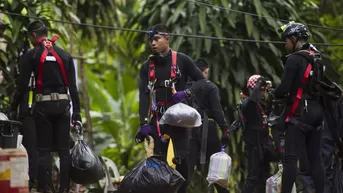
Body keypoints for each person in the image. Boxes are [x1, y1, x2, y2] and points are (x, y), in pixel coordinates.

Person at [11, 20, 81, 193]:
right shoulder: (64, 55)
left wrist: (14, 106)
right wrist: (77, 113)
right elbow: (73, 87)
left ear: (33, 35)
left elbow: (22, 85)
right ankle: (64, 188)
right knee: (64, 150)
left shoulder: (32, 55)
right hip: (64, 105)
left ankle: (46, 188)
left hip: (43, 105)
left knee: (44, 150)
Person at [135, 24, 205, 193]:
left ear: (167, 38)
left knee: (182, 162)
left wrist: (186, 93)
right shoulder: (147, 67)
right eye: (151, 40)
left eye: (157, 39)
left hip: (179, 119)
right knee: (159, 164)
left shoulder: (182, 60)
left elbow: (203, 81)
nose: (153, 43)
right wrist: (143, 122)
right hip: (158, 119)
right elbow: (144, 95)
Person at [274, 21, 325, 193]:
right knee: (316, 159)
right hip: (317, 115)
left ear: (294, 38)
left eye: (286, 40)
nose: (285, 44)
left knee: (290, 159)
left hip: (299, 115)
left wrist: (272, 94)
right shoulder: (317, 57)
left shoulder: (294, 59)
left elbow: (284, 88)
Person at [186, 58, 230, 193]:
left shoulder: (186, 88)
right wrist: (225, 129)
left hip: (188, 129)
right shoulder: (210, 87)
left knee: (187, 169)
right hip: (207, 128)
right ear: (206, 71)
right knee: (215, 169)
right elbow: (217, 111)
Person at [240, 75, 275, 193]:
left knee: (264, 176)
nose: (262, 93)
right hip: (253, 146)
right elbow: (251, 101)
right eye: (260, 90)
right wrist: (259, 84)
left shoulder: (260, 105)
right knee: (253, 177)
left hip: (263, 145)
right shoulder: (247, 104)